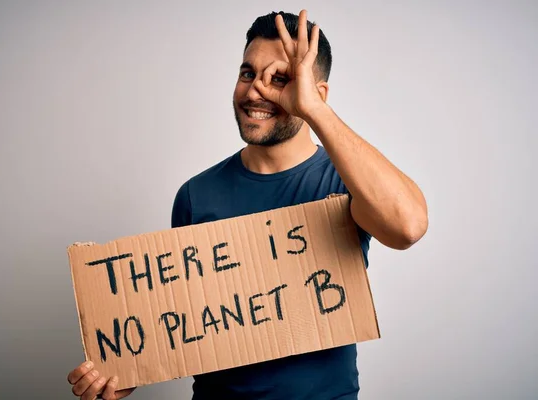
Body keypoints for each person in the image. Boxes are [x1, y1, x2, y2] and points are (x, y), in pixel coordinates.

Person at [66, 9, 428, 400]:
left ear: (314, 93)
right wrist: (131, 368)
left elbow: (407, 226)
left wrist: (315, 111)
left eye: (280, 79)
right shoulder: (195, 195)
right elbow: (188, 323)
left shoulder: (346, 182)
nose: (256, 90)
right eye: (247, 73)